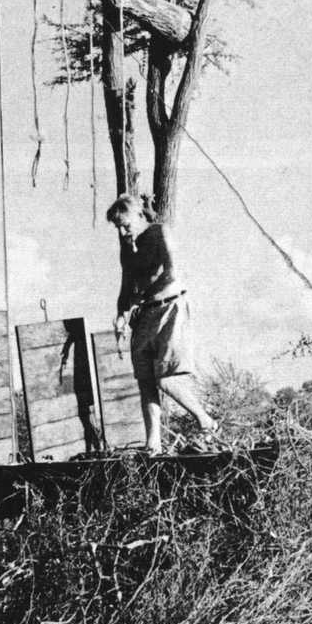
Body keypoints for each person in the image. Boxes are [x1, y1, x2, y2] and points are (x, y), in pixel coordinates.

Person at [106, 194, 218, 455]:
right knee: (145, 379)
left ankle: (206, 422)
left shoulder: (159, 233)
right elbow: (126, 286)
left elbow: (172, 272)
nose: (122, 232)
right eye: (118, 228)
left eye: (125, 225)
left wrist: (142, 295)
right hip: (145, 314)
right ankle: (153, 444)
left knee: (165, 379)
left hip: (170, 308)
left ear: (139, 215)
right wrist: (121, 314)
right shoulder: (127, 248)